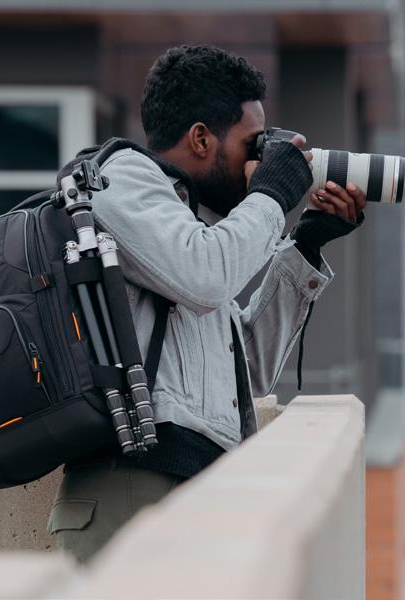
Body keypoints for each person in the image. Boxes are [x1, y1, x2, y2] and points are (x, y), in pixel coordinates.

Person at [46, 44, 366, 562]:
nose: (257, 162)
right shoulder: (118, 181)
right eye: (251, 143)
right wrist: (272, 196)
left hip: (187, 487)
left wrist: (305, 245)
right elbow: (207, 277)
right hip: (131, 491)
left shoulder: (184, 227)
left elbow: (248, 375)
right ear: (200, 137)